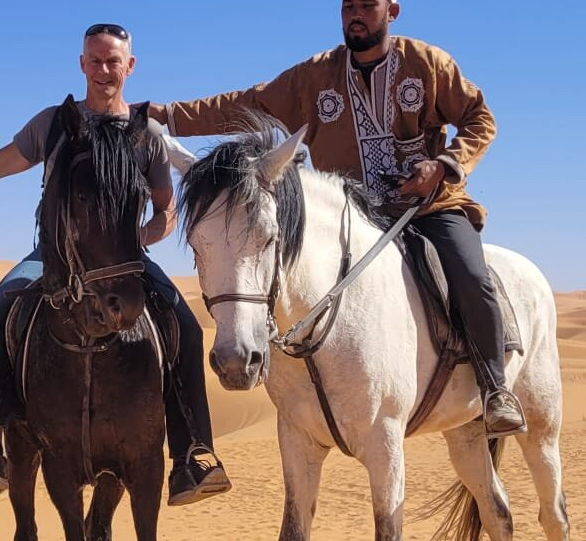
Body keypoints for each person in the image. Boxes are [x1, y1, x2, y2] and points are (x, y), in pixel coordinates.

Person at [150, 0, 526, 438]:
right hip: (347, 216)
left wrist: (443, 164)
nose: (356, 14)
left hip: (426, 208)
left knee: (469, 274)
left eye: (368, 5)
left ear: (392, 11)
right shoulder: (315, 77)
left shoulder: (427, 63)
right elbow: (244, 103)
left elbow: (480, 118)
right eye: (348, 6)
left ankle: (495, 387)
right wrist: (164, 116)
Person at [0, 23, 232, 505]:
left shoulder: (146, 134)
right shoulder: (53, 125)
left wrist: (142, 238)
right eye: (96, 60)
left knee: (186, 327)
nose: (105, 70)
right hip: (55, 257)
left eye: (114, 62)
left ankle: (193, 452)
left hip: (122, 261)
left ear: (130, 67)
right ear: (82, 64)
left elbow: (166, 209)